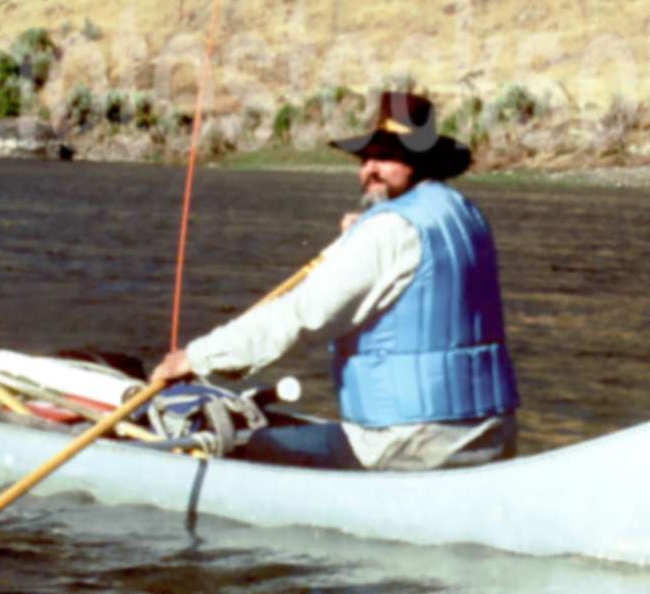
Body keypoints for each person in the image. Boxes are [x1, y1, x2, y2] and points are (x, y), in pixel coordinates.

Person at [154, 89, 518, 470]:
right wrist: (359, 237)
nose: (370, 170)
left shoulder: (387, 231)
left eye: (389, 158)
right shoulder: (464, 215)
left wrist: (195, 358)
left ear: (421, 162)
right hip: (491, 434)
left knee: (246, 447)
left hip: (410, 443)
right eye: (366, 158)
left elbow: (300, 316)